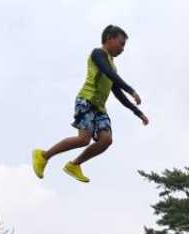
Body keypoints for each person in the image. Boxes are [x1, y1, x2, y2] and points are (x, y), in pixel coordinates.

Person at [32, 24, 149, 183]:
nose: (122, 49)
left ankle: (74, 165)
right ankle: (43, 155)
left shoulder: (112, 65)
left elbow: (117, 92)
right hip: (86, 101)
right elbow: (109, 73)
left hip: (100, 108)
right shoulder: (98, 54)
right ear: (109, 38)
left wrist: (138, 113)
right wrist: (132, 90)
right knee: (83, 139)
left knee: (106, 140)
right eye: (121, 44)